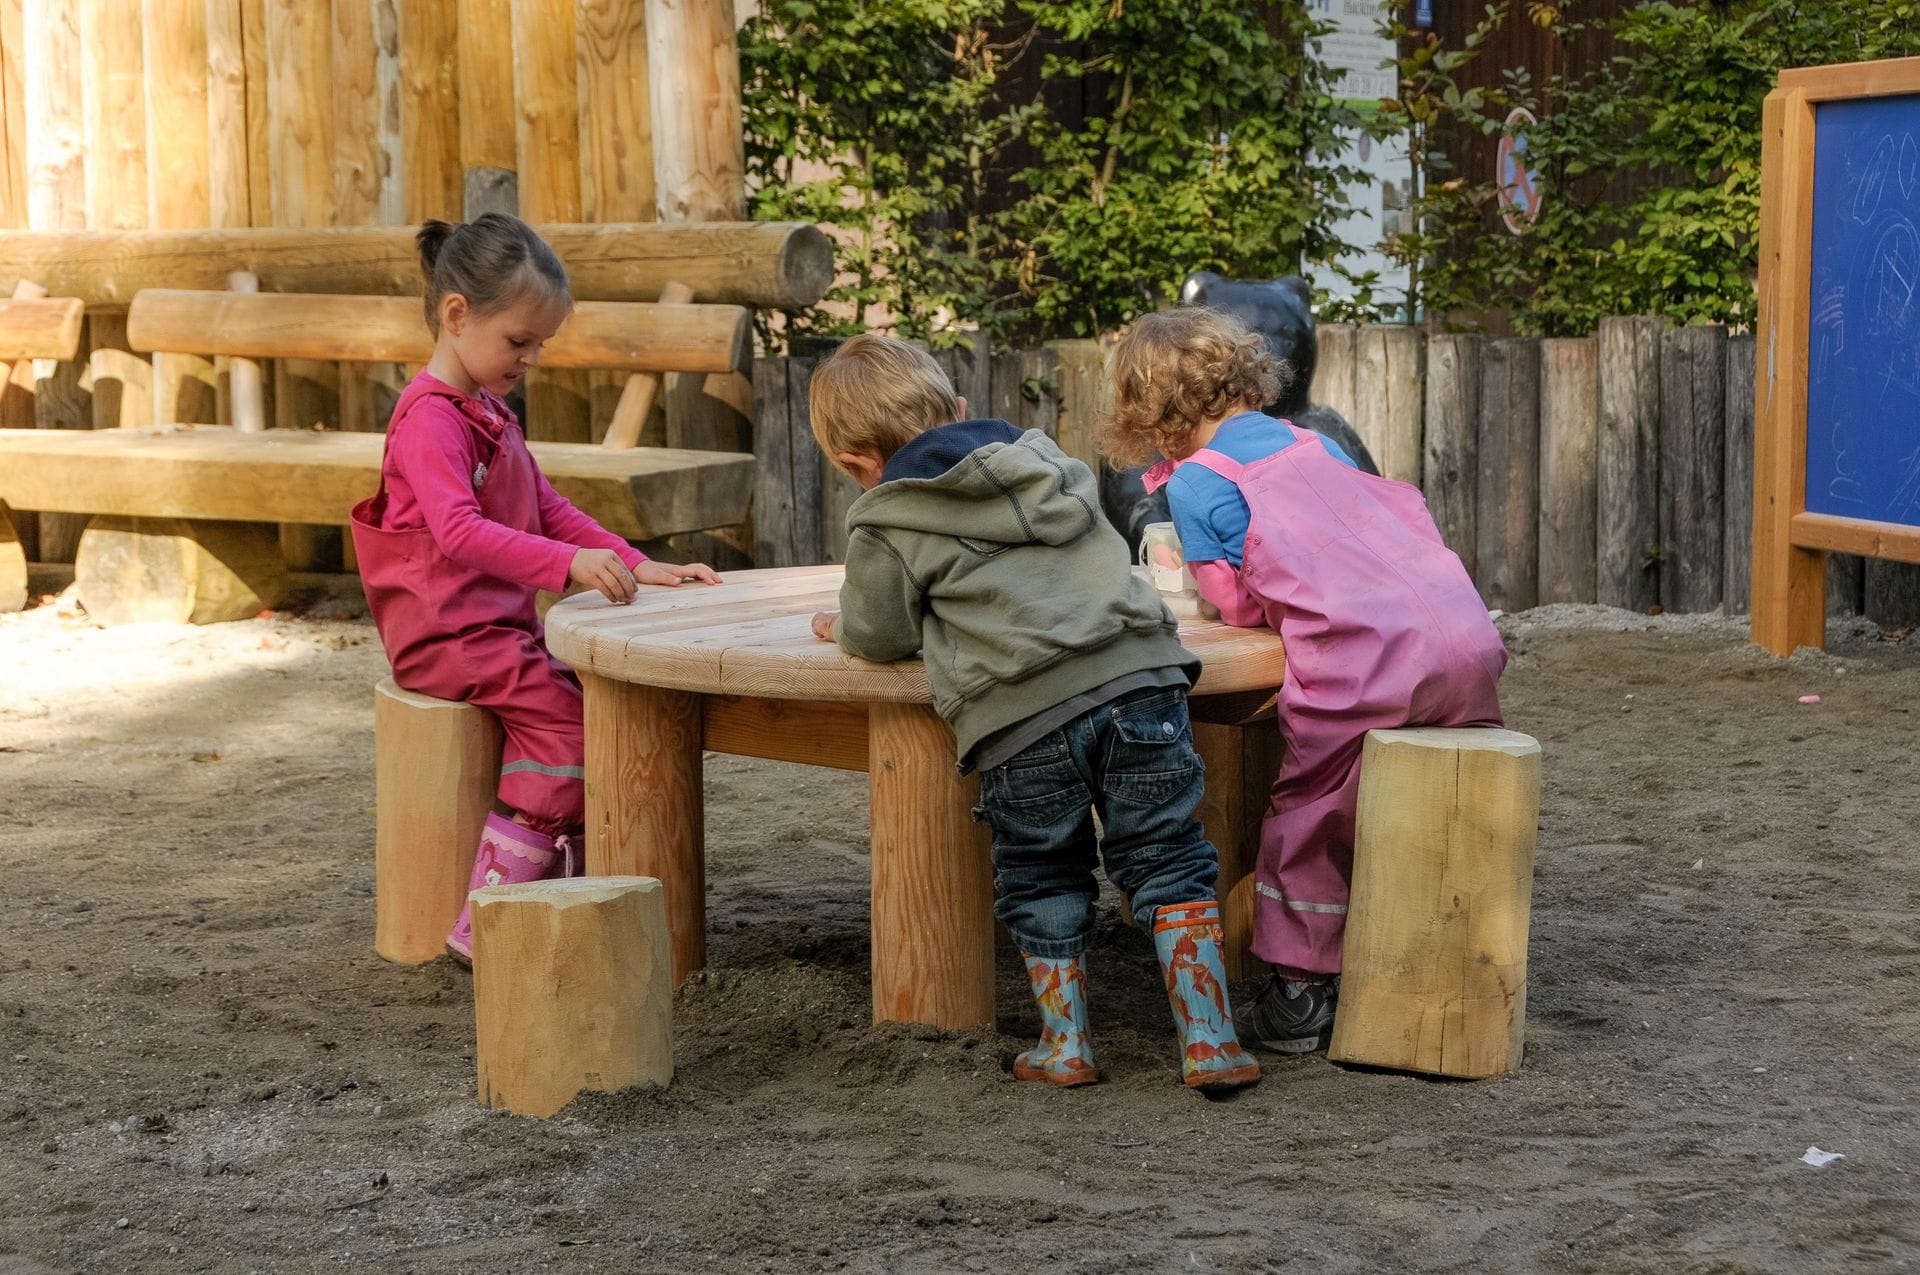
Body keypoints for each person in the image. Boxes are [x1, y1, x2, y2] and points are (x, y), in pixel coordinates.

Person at [805, 333, 1260, 1092]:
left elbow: (879, 633)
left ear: (856, 464)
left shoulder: (887, 517)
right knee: (1167, 853)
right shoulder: (1047, 462)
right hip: (1142, 680)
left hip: (1025, 715)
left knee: (1042, 869)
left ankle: (1066, 1045)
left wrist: (840, 626)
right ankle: (1212, 1041)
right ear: (958, 407)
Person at [1102, 307, 1508, 1054]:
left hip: (1366, 658)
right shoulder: (1312, 441)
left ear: (1152, 417)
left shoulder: (1198, 481)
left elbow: (1233, 603)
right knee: (1407, 800)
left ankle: (1299, 994)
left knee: (1312, 810)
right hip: (1462, 636)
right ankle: (1421, 952)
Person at [350, 213, 718, 964]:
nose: (532, 358)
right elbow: (456, 532)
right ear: (457, 315)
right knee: (566, 724)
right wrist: (568, 566)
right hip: (445, 635)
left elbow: (549, 506)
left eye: (540, 343)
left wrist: (634, 561)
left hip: (491, 629)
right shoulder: (431, 421)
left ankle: (563, 873)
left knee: (592, 701)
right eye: (519, 340)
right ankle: (488, 915)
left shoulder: (486, 408)